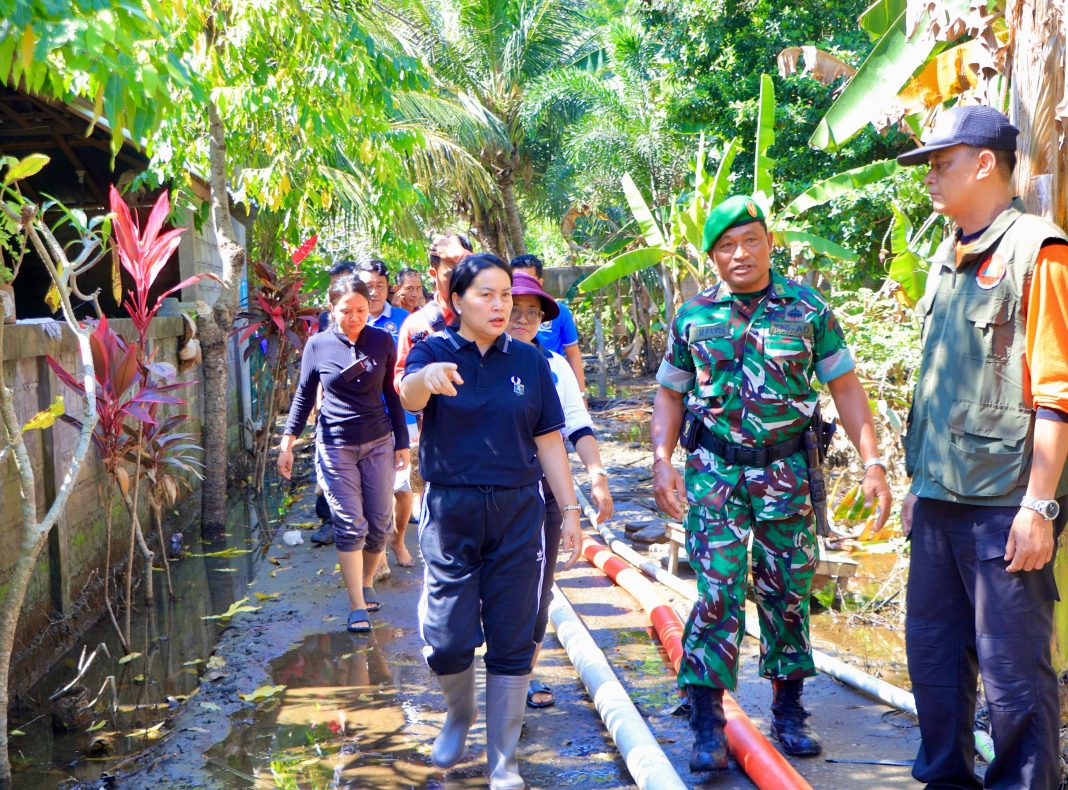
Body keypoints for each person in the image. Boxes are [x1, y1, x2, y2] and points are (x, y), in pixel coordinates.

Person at [651, 195, 892, 771]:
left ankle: (789, 709)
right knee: (716, 593)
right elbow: (670, 391)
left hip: (785, 472)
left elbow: (846, 389)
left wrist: (873, 462)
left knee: (786, 591)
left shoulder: (809, 310)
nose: (740, 254)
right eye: (726, 246)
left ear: (769, 242)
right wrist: (662, 458)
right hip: (714, 474)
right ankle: (708, 719)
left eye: (751, 240)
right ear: (711, 256)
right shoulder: (692, 317)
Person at [896, 105, 1068, 789]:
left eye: (942, 163)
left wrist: (1039, 507)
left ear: (985, 163)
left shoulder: (1040, 251)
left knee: (1013, 679)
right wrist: (917, 485)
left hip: (1004, 506)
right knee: (934, 664)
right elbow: (943, 385)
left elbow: (1056, 393)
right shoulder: (949, 253)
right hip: (938, 503)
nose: (931, 177)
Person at [399, 254, 583, 789]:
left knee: (513, 634)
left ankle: (505, 760)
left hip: (519, 511)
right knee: (447, 637)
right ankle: (460, 713)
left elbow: (549, 439)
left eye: (505, 295)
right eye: (487, 294)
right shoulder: (432, 350)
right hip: (451, 510)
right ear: (457, 301)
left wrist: (569, 510)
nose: (500, 305)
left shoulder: (531, 362)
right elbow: (408, 394)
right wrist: (427, 380)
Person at [506, 272, 615, 709]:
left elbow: (576, 423)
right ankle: (502, 668)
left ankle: (523, 676)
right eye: (515, 310)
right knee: (495, 589)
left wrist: (597, 475)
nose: (522, 319)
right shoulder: (472, 362)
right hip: (492, 495)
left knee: (539, 587)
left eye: (532, 314)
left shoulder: (553, 367)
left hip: (546, 492)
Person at [278, 276, 410, 634]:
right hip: (335, 444)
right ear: (331, 308)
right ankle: (356, 605)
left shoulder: (382, 340)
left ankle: (366, 583)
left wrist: (402, 443)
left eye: (361, 310)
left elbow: (392, 395)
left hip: (379, 441)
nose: (354, 317)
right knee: (351, 524)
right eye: (346, 311)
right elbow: (304, 396)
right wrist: (287, 443)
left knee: (380, 523)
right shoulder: (318, 345)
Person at [353, 259, 417, 570]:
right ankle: (375, 557)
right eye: (367, 286)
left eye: (379, 285)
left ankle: (398, 540)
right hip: (363, 420)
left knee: (402, 490)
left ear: (389, 288)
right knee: (369, 493)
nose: (374, 292)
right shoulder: (350, 321)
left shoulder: (405, 320)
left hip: (400, 416)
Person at [311, 259, 358, 543]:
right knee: (324, 469)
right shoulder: (324, 322)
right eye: (334, 284)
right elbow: (315, 368)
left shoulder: (367, 318)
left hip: (363, 409)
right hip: (330, 405)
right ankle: (328, 522)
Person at [510, 254, 587, 396]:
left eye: (532, 313)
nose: (523, 320)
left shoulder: (560, 312)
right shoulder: (502, 314)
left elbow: (573, 354)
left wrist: (581, 394)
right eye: (518, 280)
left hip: (552, 379)